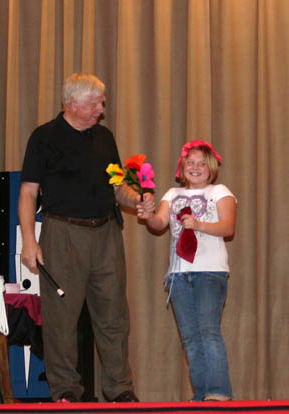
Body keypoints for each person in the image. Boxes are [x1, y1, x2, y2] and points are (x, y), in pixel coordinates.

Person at [18, 73, 154, 403]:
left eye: (102, 103)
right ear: (72, 104)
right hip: (63, 234)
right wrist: (29, 242)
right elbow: (28, 192)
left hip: (106, 234)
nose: (101, 109)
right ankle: (65, 391)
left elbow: (117, 185)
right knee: (60, 320)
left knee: (114, 317)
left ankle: (120, 389)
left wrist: (137, 199)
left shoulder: (105, 138)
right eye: (95, 104)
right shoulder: (44, 137)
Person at [143, 140, 236, 401]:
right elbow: (159, 223)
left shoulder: (219, 191)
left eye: (201, 164)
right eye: (190, 163)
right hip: (178, 275)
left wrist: (198, 225)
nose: (195, 168)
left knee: (208, 331)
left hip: (210, 271)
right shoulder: (171, 195)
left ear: (211, 168)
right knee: (190, 337)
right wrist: (147, 214)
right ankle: (202, 393)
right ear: (182, 167)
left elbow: (228, 227)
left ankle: (219, 392)